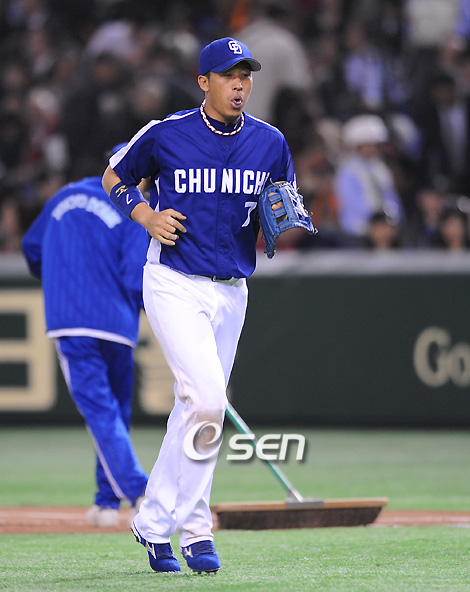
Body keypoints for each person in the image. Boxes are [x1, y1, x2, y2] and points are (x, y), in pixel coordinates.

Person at [102, 36, 300, 573]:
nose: (240, 84)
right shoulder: (168, 131)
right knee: (209, 400)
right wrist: (146, 215)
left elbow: (281, 199)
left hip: (232, 289)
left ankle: (152, 522)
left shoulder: (271, 141)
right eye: (229, 75)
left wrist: (279, 217)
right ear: (203, 82)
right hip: (174, 280)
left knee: (195, 407)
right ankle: (195, 528)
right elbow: (114, 175)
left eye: (246, 75)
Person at [21, 145, 149, 528]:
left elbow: (32, 248)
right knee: (113, 412)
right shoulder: (134, 207)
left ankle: (112, 498)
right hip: (117, 324)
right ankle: (133, 494)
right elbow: (134, 276)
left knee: (102, 413)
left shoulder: (64, 195)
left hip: (71, 320)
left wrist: (61, 275)